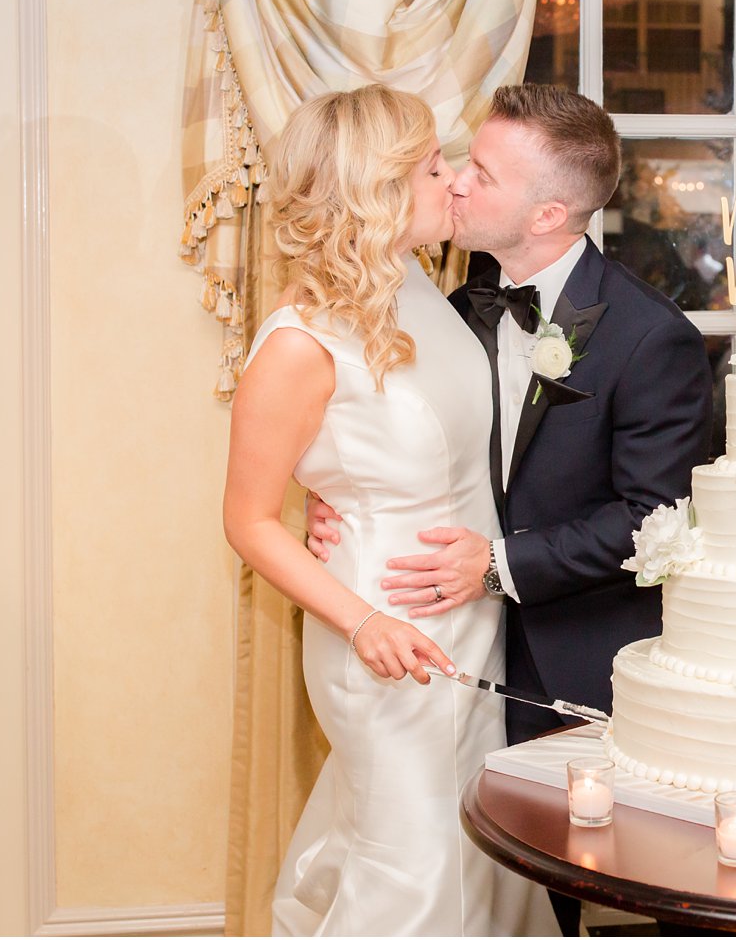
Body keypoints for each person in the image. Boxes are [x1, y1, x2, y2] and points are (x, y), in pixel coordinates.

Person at [222, 85, 558, 937]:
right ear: (374, 191)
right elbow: (247, 517)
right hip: (386, 634)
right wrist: (363, 618)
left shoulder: (418, 287)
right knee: (411, 863)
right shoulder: (299, 343)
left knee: (476, 847)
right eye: (434, 168)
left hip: (469, 614)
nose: (454, 183)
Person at [308, 86, 712, 741]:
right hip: (448, 647)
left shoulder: (650, 337)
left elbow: (655, 520)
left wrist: (499, 566)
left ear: (547, 213)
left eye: (482, 175)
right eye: (463, 163)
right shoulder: (456, 308)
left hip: (574, 663)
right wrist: (334, 493)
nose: (456, 184)